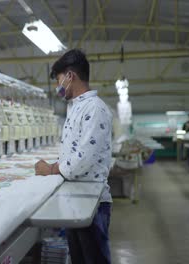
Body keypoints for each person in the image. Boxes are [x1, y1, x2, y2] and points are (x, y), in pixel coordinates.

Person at [35, 49, 112, 264]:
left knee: (94, 259)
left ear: (70, 76)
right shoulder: (76, 108)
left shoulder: (94, 108)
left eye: (58, 80)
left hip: (92, 203)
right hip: (76, 198)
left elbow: (82, 159)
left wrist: (49, 169)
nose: (57, 87)